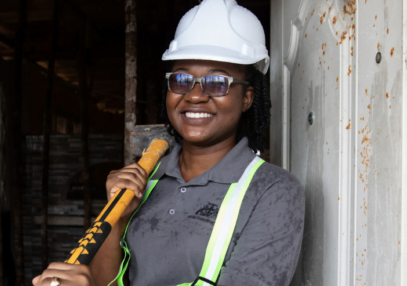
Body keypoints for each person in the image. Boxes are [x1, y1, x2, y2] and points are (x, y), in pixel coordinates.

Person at [33, 0, 305, 285]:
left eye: (217, 83)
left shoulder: (274, 192)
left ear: (247, 98)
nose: (195, 95)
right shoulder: (146, 179)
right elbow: (107, 282)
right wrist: (116, 220)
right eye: (181, 79)